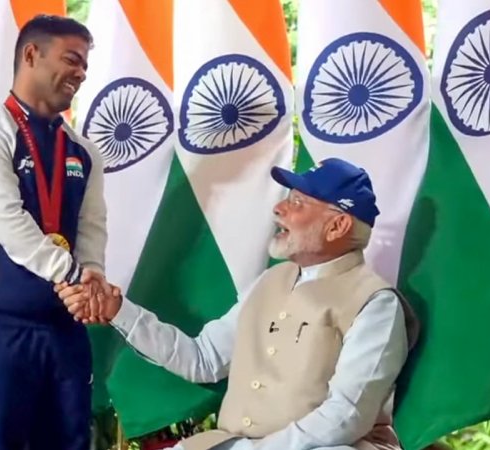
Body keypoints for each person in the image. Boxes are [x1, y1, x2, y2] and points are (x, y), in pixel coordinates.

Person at [57, 158, 420, 450]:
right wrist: (120, 311)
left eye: (297, 203)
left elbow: (346, 418)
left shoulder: (376, 304)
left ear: (337, 225)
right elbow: (202, 359)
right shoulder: (269, 281)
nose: (279, 209)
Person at [0, 14, 108, 450]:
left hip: (65, 331)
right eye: (71, 59)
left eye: (85, 65)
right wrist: (75, 276)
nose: (80, 72)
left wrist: (92, 276)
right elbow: (9, 222)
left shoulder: (82, 150)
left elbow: (92, 225)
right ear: (30, 54)